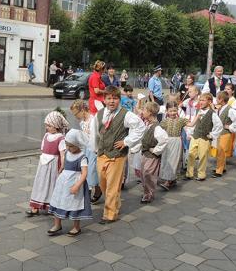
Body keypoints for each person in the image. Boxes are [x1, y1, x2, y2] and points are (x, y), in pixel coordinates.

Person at [93, 85, 145, 223]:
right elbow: (95, 133)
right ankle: (114, 203)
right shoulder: (99, 114)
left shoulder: (126, 114)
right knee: (103, 183)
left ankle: (110, 214)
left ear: (119, 100)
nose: (111, 101)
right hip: (102, 153)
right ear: (104, 99)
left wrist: (127, 141)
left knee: (112, 185)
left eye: (115, 98)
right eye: (109, 98)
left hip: (117, 155)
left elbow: (140, 127)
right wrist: (95, 148)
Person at [47, 129, 93, 236]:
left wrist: (77, 185)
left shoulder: (82, 157)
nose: (68, 148)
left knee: (74, 204)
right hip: (63, 183)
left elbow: (84, 173)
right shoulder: (67, 153)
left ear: (78, 144)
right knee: (58, 201)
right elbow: (64, 163)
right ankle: (57, 224)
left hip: (74, 183)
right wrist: (60, 170)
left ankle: (76, 227)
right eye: (67, 145)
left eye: (71, 146)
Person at [26, 111, 69, 217]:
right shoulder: (46, 136)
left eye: (49, 125)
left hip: (53, 166)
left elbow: (62, 154)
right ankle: (35, 206)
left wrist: (62, 166)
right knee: (40, 184)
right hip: (43, 165)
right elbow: (43, 150)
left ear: (56, 126)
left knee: (51, 185)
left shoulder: (60, 138)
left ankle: (52, 206)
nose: (47, 127)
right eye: (46, 125)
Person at [185, 93, 223, 181]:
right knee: (191, 154)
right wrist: (190, 133)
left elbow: (219, 125)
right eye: (200, 100)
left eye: (203, 100)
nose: (201, 102)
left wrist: (212, 135)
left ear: (209, 102)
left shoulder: (212, 113)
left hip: (205, 138)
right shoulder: (197, 111)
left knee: (203, 156)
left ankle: (201, 174)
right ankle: (189, 173)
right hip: (195, 136)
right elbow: (194, 124)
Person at [70, 100, 102, 204]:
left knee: (92, 171)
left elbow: (96, 136)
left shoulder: (93, 120)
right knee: (85, 171)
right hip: (85, 149)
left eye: (76, 114)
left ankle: (96, 190)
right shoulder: (82, 122)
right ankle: (89, 192)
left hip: (93, 149)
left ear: (83, 110)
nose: (76, 116)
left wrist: (96, 149)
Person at [139, 101, 168, 203]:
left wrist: (155, 150)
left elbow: (164, 140)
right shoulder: (148, 124)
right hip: (145, 154)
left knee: (148, 173)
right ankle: (146, 192)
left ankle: (149, 193)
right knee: (143, 173)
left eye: (144, 110)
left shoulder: (158, 128)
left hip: (152, 156)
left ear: (150, 112)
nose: (142, 112)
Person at [159, 101, 187, 190]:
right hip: (167, 142)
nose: (173, 113)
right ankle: (172, 180)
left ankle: (168, 182)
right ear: (167, 111)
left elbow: (191, 124)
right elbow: (158, 130)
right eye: (170, 111)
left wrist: (197, 116)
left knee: (174, 161)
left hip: (177, 141)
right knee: (167, 160)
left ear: (177, 110)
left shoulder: (181, 120)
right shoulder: (164, 121)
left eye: (175, 111)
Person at [212, 91, 236, 177]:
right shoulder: (219, 108)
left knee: (221, 151)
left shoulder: (230, 109)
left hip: (225, 133)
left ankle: (219, 170)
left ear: (221, 100)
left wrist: (230, 127)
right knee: (220, 151)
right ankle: (222, 167)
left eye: (217, 98)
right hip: (219, 133)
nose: (216, 100)